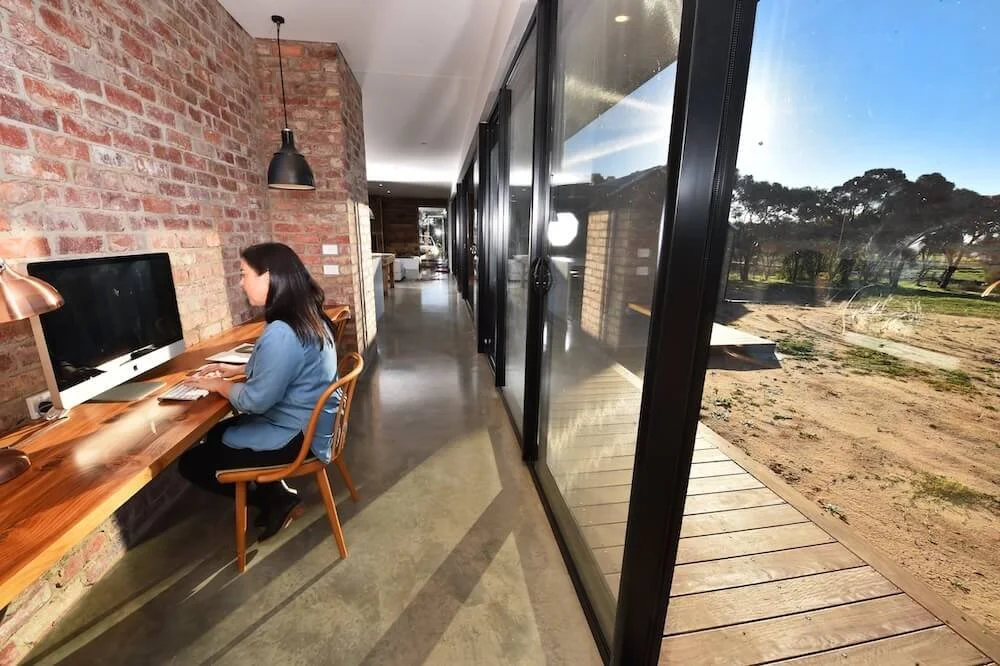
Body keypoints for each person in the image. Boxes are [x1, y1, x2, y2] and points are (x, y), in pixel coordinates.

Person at [178, 242, 339, 540]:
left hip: (298, 438)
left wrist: (218, 384)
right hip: (314, 427)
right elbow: (285, 367)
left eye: (243, 274)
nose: (241, 283)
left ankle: (275, 499)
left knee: (191, 461)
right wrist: (235, 371)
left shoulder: (282, 331)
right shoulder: (308, 315)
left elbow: (255, 401)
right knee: (217, 435)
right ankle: (276, 495)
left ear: (268, 277)